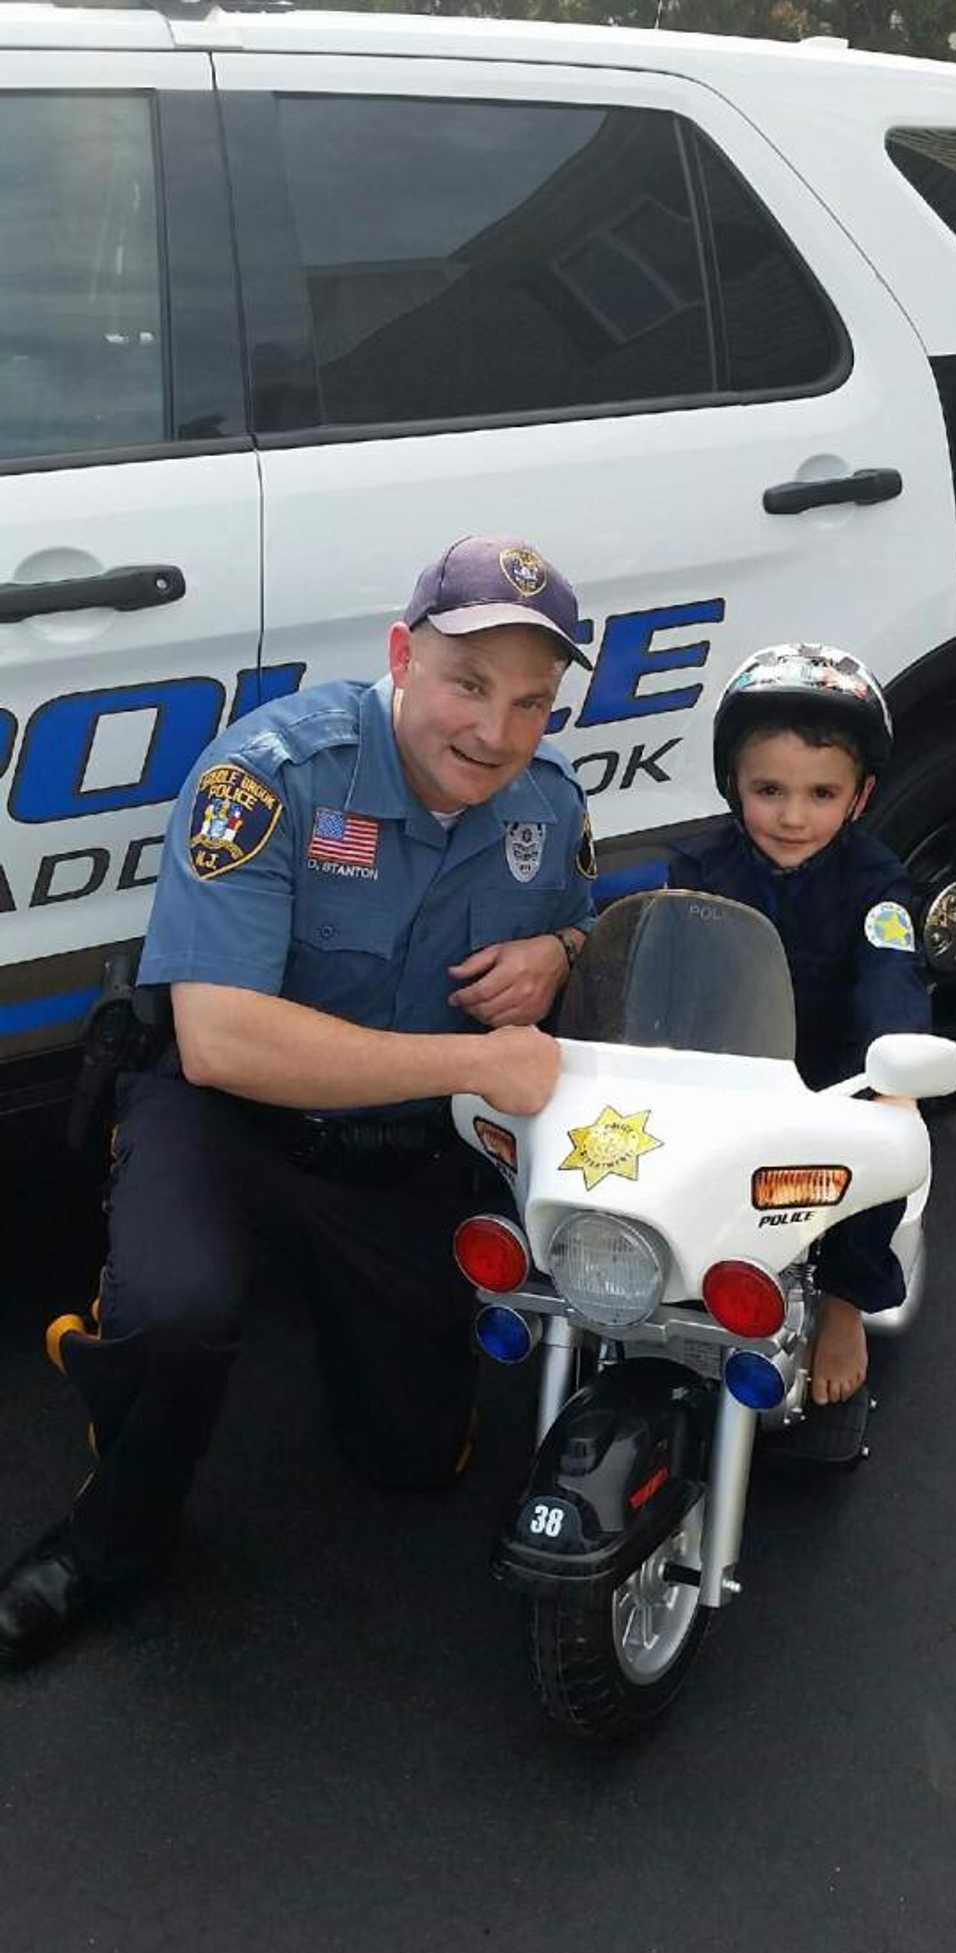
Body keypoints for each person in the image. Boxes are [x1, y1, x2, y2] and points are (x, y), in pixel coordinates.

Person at [0, 536, 596, 1668]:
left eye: (531, 702)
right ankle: (110, 1530)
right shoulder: (268, 774)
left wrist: (561, 946)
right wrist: (467, 1063)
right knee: (175, 1307)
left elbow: (575, 910)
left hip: (398, 1153)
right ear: (399, 657)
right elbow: (219, 1041)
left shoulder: (545, 803)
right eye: (468, 684)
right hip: (226, 1121)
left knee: (415, 1459)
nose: (495, 731)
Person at [668, 644, 930, 1406]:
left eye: (821, 793)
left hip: (833, 1068)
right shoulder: (699, 865)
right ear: (732, 785)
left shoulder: (877, 881)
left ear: (860, 796)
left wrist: (895, 1079)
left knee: (870, 1158)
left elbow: (892, 971)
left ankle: (847, 1299)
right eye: (769, 789)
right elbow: (668, 952)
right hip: (723, 1056)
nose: (791, 816)